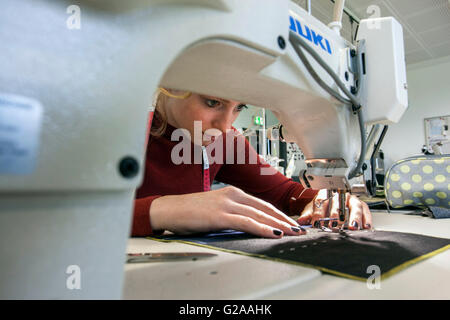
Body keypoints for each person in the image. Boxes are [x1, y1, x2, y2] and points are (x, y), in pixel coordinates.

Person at [131, 88, 372, 238]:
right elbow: (91, 219)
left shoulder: (226, 141)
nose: (226, 126)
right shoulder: (120, 130)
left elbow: (285, 194)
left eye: (239, 107)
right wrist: (163, 210)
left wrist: (323, 199)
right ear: (171, 83)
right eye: (213, 102)